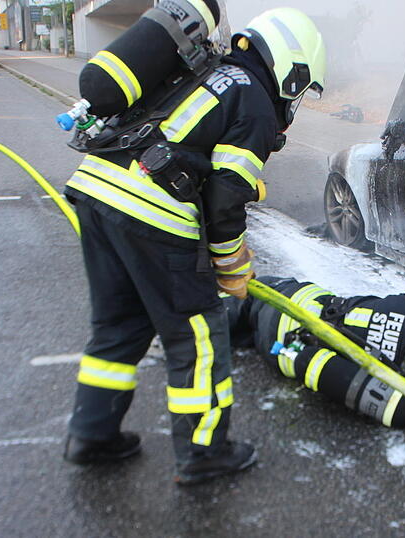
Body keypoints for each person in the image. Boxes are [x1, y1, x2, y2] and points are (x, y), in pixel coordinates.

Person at [61, 3, 326, 487]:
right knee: (198, 336)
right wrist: (231, 266)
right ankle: (205, 453)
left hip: (96, 190)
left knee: (118, 325)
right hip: (151, 214)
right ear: (293, 70)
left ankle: (91, 435)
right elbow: (226, 197)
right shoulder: (256, 101)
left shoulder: (206, 69)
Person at [224, 275, 405, 427]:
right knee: (230, 318)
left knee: (234, 297)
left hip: (296, 295)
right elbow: (309, 362)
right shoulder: (391, 380)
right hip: (275, 337)